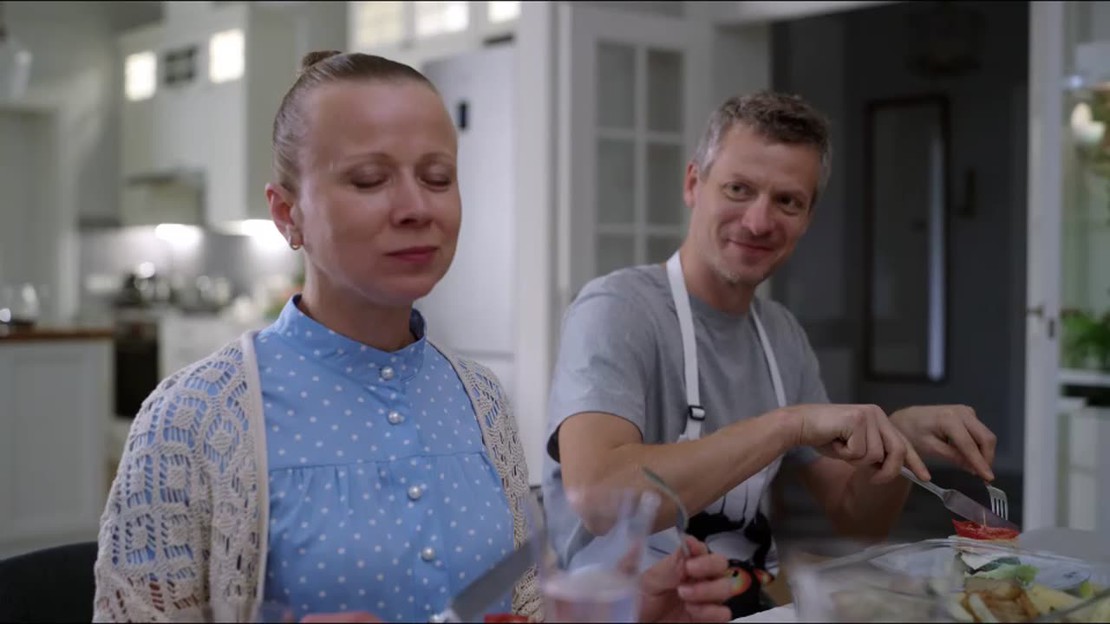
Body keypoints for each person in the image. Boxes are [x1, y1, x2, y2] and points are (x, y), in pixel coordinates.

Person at [93, 51, 735, 623]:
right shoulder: (192, 419)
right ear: (288, 213)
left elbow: (519, 609)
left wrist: (632, 610)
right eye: (369, 180)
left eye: (437, 178)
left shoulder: (480, 400)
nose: (417, 208)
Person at [541, 91, 1001, 619]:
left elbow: (857, 518)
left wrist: (898, 440)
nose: (759, 222)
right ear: (693, 184)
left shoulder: (780, 334)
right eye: (738, 189)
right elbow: (599, 496)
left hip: (748, 609)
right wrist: (787, 425)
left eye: (787, 201)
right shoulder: (617, 309)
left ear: (808, 216)